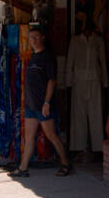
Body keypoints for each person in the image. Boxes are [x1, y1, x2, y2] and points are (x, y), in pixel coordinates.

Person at [8, 27, 71, 178]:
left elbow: (51, 81)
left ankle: (65, 163)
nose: (34, 41)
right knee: (29, 137)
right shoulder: (33, 57)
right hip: (31, 105)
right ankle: (23, 168)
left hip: (43, 105)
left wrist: (47, 102)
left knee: (51, 135)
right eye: (31, 38)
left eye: (36, 37)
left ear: (43, 38)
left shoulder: (48, 57)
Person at [64, 18, 109, 162]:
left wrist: (105, 82)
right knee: (79, 114)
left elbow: (102, 61)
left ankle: (97, 148)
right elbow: (70, 61)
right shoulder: (75, 41)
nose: (87, 30)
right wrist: (68, 83)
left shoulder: (98, 41)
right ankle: (79, 147)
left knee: (96, 113)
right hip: (79, 81)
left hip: (95, 80)